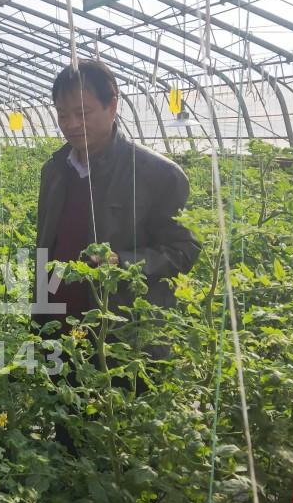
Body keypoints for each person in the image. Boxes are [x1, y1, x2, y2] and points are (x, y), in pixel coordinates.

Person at [34, 59, 200, 349]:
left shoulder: (157, 174)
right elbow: (46, 246)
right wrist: (39, 316)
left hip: (121, 338)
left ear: (111, 106)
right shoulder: (55, 171)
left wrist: (122, 262)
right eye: (62, 114)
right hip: (57, 328)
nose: (71, 124)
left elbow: (183, 251)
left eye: (82, 113)